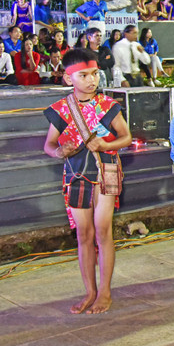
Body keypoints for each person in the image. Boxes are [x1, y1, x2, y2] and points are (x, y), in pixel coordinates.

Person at [43, 49, 132, 314]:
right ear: (69, 78)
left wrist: (106, 144)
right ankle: (89, 291)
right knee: (84, 234)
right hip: (76, 174)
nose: (91, 80)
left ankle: (104, 291)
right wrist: (60, 151)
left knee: (103, 231)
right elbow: (48, 145)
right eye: (83, 75)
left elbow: (126, 137)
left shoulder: (108, 105)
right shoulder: (60, 109)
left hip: (107, 172)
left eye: (94, 74)